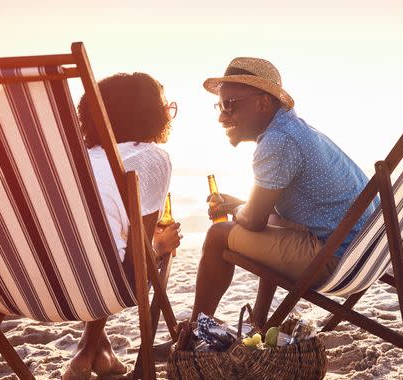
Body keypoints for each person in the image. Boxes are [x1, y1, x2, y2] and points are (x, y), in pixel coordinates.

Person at [191, 57, 377, 328]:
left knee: (218, 236)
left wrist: (238, 210)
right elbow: (264, 216)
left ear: (263, 103)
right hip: (363, 252)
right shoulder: (294, 130)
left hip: (337, 259)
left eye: (230, 105)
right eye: (219, 106)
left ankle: (196, 330)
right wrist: (243, 205)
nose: (221, 116)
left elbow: (253, 221)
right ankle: (259, 319)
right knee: (269, 223)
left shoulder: (277, 141)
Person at [63, 73, 182, 379]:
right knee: (126, 260)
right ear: (152, 116)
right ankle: (95, 352)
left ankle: (92, 350)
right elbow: (136, 262)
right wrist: (159, 245)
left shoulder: (68, 159)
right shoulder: (150, 158)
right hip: (99, 287)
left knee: (92, 254)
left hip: (21, 287)